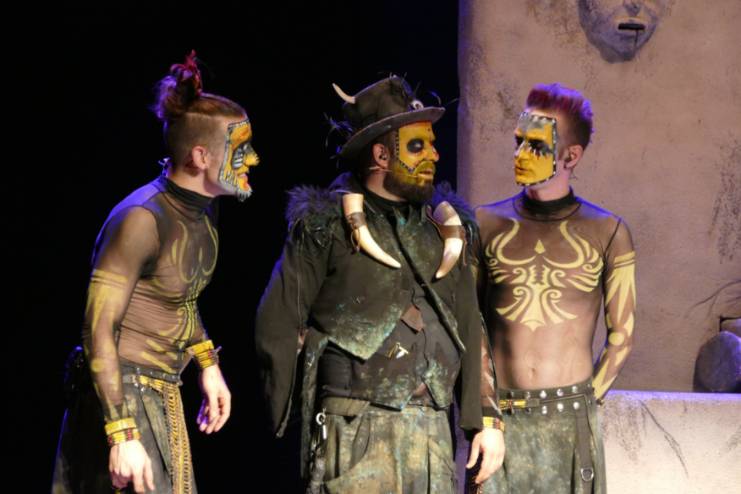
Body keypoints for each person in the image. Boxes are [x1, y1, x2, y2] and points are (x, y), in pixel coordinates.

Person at [255, 75, 505, 494]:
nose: (434, 155)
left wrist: (487, 418)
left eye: (432, 144)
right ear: (381, 154)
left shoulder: (443, 232)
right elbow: (278, 321)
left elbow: (468, 322)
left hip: (431, 433)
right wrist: (305, 399)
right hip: (355, 426)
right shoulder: (327, 226)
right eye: (417, 146)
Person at [52, 51, 259, 494]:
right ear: (201, 156)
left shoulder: (203, 212)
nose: (253, 160)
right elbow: (98, 327)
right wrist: (122, 434)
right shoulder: (141, 219)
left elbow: (179, 296)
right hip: (119, 395)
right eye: (240, 150)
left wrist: (208, 363)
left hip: (161, 391)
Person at [477, 83, 636, 493]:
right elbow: (470, 328)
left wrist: (584, 406)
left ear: (571, 155)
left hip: (572, 422)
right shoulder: (485, 224)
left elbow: (622, 336)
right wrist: (487, 415)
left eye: (534, 145)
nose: (519, 153)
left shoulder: (608, 231)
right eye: (518, 141)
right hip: (500, 423)